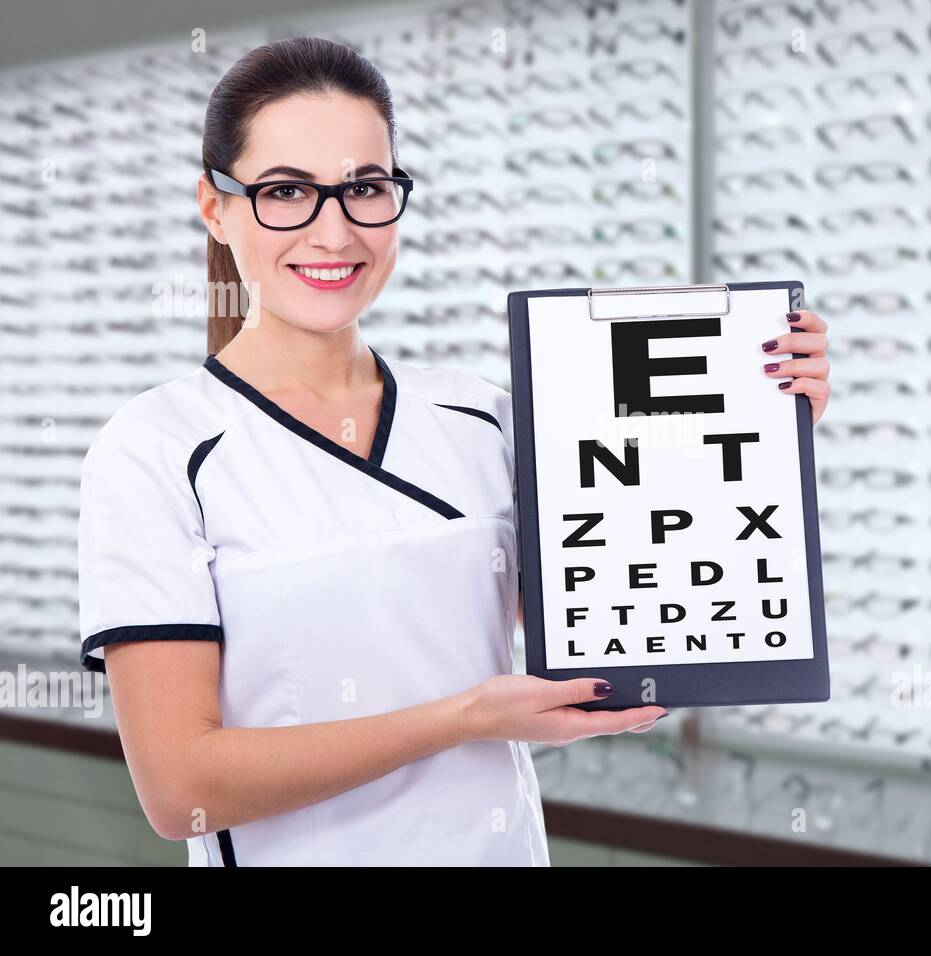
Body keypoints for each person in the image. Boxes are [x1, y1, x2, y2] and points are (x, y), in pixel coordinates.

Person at [76, 36, 832, 866]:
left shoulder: (487, 419)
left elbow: (630, 624)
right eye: (286, 192)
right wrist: (462, 721)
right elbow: (183, 790)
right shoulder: (158, 450)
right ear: (216, 207)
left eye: (365, 187)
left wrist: (756, 425)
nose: (334, 232)